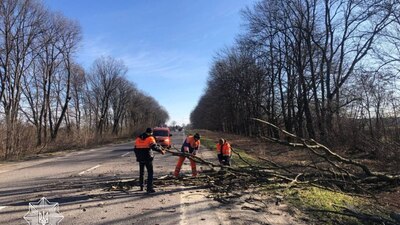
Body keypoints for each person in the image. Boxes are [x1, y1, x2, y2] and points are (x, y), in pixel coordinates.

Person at [133, 127, 165, 193]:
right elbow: (154, 147)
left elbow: (135, 148)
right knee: (150, 172)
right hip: (148, 157)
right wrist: (161, 151)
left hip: (140, 158)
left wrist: (138, 156)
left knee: (141, 172)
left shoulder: (138, 138)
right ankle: (149, 188)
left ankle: (141, 186)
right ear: (151, 132)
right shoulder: (150, 138)